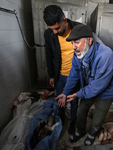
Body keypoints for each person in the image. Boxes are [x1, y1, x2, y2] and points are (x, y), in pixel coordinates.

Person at [56, 24, 113, 146]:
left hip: (106, 90)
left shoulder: (106, 56)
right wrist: (65, 93)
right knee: (81, 110)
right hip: (90, 87)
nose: (74, 47)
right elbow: (73, 75)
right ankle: (80, 131)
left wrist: (78, 94)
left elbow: (98, 86)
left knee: (98, 116)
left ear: (89, 40)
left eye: (77, 42)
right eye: (72, 43)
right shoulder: (78, 54)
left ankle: (92, 133)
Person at [43, 5, 81, 134]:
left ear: (64, 20)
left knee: (73, 100)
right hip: (60, 75)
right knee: (60, 99)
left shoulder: (78, 29)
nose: (55, 32)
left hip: (75, 75)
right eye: (52, 29)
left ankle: (72, 122)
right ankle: (60, 120)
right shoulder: (49, 34)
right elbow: (49, 55)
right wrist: (51, 75)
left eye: (57, 28)